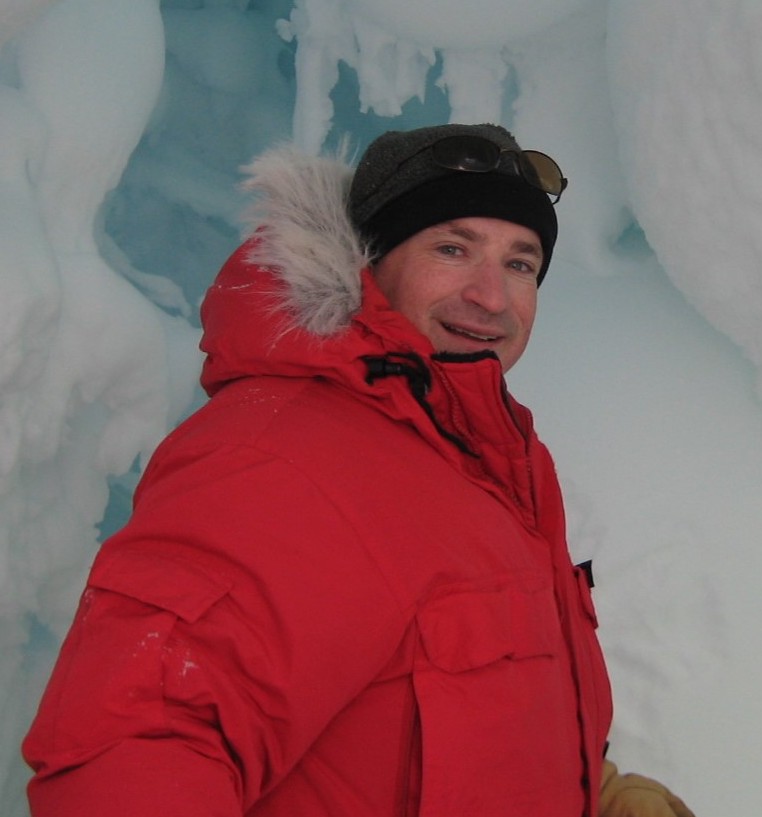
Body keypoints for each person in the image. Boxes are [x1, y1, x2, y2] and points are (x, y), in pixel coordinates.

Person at [23, 123, 695, 817]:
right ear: (365, 263)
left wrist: (597, 790)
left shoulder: (490, 465)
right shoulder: (274, 455)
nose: (491, 296)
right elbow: (126, 751)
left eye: (520, 263)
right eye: (452, 248)